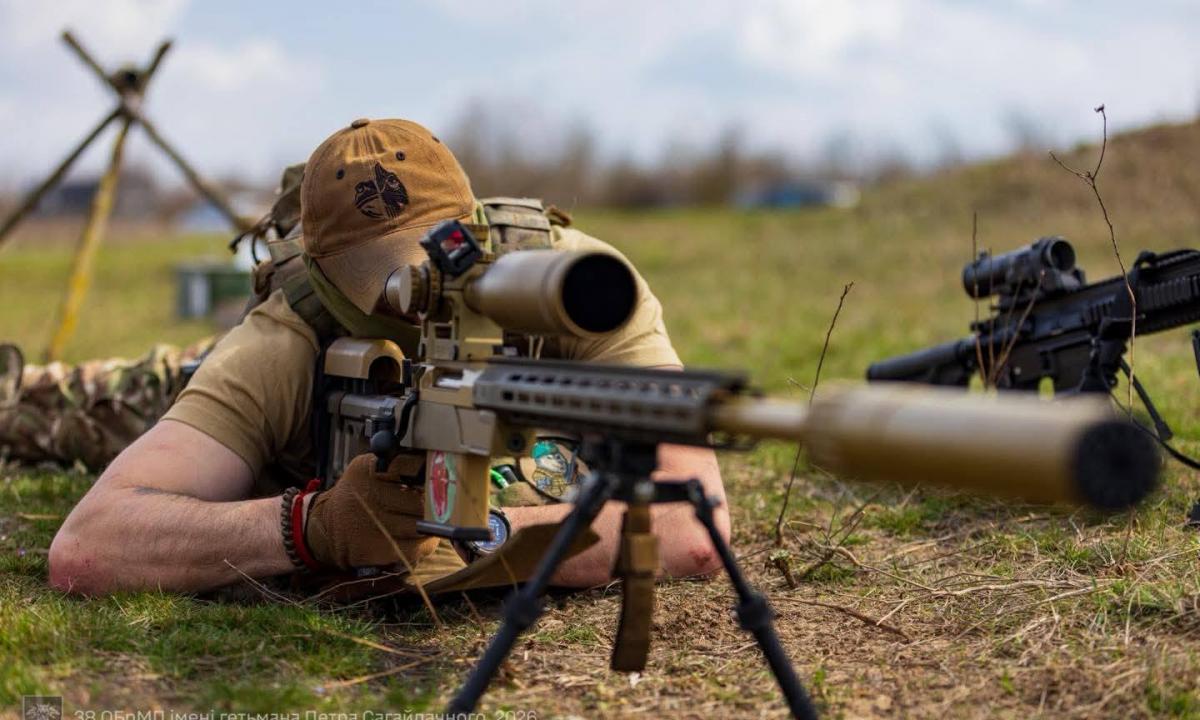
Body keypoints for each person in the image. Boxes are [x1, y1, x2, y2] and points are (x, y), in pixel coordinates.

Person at [46, 118, 729, 596]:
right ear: (320, 272)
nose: (420, 296)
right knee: (79, 401)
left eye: (438, 251)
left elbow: (693, 528)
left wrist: (485, 535)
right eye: (385, 277)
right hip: (212, 384)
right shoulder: (280, 343)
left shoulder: (580, 288)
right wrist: (313, 528)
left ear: (473, 225)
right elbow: (89, 546)